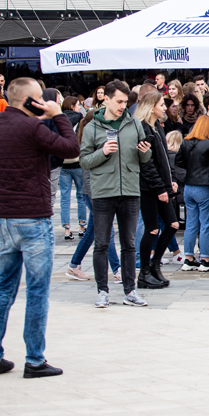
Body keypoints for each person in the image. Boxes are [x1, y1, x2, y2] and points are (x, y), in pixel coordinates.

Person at [0, 77, 80, 379]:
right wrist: (57, 114)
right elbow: (70, 148)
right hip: (33, 216)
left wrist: (4, 200)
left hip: (5, 217)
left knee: (3, 286)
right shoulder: (32, 127)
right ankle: (34, 359)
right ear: (30, 101)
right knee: (37, 290)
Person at [79, 79, 153, 309]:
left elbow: (144, 160)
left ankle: (130, 291)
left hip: (130, 189)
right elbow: (84, 161)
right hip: (103, 190)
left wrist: (145, 152)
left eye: (125, 101)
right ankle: (103, 290)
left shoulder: (134, 124)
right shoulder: (93, 126)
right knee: (101, 243)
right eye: (119, 101)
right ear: (106, 99)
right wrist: (102, 152)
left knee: (129, 244)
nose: (123, 105)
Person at [65, 111, 120, 283]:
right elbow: (88, 170)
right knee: (106, 229)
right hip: (94, 192)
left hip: (96, 191)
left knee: (92, 230)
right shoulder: (90, 142)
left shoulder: (92, 139)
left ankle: (74, 265)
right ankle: (117, 269)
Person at [134, 91, 179, 289]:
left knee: (173, 225)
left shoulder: (157, 128)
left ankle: (154, 265)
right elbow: (147, 164)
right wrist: (161, 187)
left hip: (162, 186)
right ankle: (144, 271)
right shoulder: (143, 129)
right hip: (149, 188)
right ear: (151, 107)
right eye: (161, 105)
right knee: (152, 229)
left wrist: (170, 182)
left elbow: (163, 160)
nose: (164, 108)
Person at [176, 115, 209, 272]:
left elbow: (178, 163)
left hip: (189, 186)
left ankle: (188, 258)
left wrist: (186, 177)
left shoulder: (186, 142)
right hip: (205, 186)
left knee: (191, 224)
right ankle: (205, 259)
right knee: (207, 224)